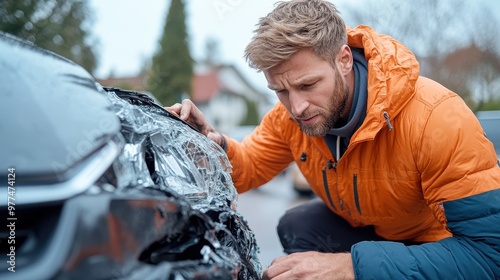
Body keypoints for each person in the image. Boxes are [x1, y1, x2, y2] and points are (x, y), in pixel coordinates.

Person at [166, 0, 500, 278]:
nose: (296, 107)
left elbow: (490, 255)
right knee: (298, 224)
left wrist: (350, 267)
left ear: (342, 60)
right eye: (280, 90)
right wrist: (213, 144)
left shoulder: (436, 119)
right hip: (373, 231)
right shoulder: (287, 119)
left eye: (308, 84)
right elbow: (248, 166)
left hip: (436, 247)